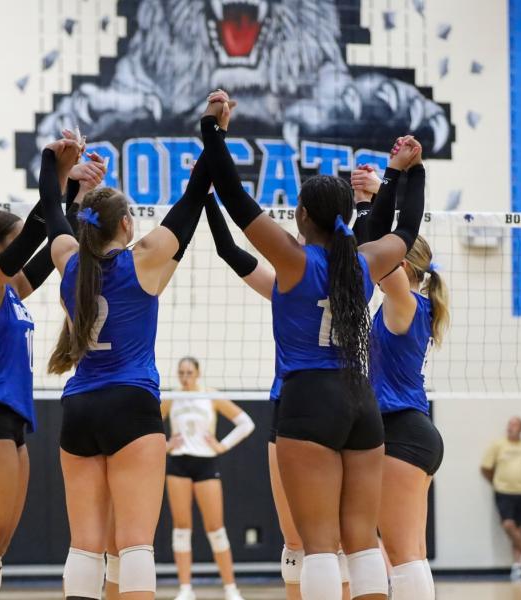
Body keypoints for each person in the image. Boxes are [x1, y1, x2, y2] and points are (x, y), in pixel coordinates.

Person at [202, 88, 426, 600]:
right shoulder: (366, 261)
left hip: (306, 400)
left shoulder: (293, 260)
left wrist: (213, 129)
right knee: (364, 545)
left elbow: (235, 199)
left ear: (302, 215)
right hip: (360, 400)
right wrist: (408, 171)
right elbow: (407, 228)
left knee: (319, 546)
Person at [43, 119, 211, 600]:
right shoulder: (143, 259)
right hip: (132, 402)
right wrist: (209, 157)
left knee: (84, 547)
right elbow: (187, 210)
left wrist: (59, 165)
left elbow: (53, 214)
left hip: (79, 406)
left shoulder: (70, 262)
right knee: (135, 544)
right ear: (127, 224)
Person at [0, 127, 106, 600]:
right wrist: (52, 166)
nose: (22, 252)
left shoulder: (12, 291)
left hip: (12, 422)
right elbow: (38, 229)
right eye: (12, 244)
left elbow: (54, 238)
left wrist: (77, 193)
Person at [204, 196, 354, 600]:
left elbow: (229, 250)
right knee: (337, 543)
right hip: (350, 409)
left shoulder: (289, 282)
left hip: (296, 407)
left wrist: (208, 197)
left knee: (300, 542)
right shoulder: (356, 278)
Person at [353, 156, 447, 600]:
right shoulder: (411, 304)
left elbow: (377, 250)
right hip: (407, 431)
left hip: (403, 431)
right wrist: (368, 200)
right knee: (407, 553)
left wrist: (377, 196)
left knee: (402, 553)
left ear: (405, 266)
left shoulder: (403, 300)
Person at [162, 356, 256, 600]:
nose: (185, 377)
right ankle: (185, 589)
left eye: (189, 372)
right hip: (178, 463)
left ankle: (230, 588)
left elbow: (246, 423)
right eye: (181, 373)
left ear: (198, 373)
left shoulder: (210, 395)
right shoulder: (172, 397)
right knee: (182, 529)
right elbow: (146, 426)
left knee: (216, 528)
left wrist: (222, 445)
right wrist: (165, 445)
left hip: (205, 463)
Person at [480, 417, 521, 580]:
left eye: (514, 425)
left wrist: (520, 478)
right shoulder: (498, 445)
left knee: (519, 530)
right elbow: (485, 468)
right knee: (508, 525)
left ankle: (518, 565)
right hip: (503, 491)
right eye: (509, 425)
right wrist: (498, 482)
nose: (510, 428)